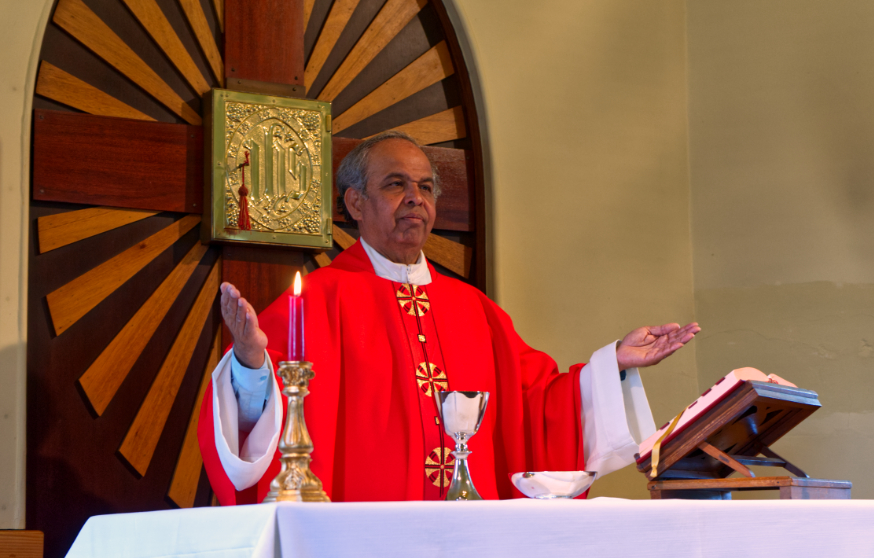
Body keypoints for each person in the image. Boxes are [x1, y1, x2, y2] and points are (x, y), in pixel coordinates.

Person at [198, 132, 699, 503]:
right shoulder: (315, 302)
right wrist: (250, 365)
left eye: (425, 187)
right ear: (355, 203)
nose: (415, 198)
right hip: (364, 542)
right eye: (396, 184)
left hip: (468, 539)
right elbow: (261, 419)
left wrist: (612, 364)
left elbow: (535, 402)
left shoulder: (474, 308)